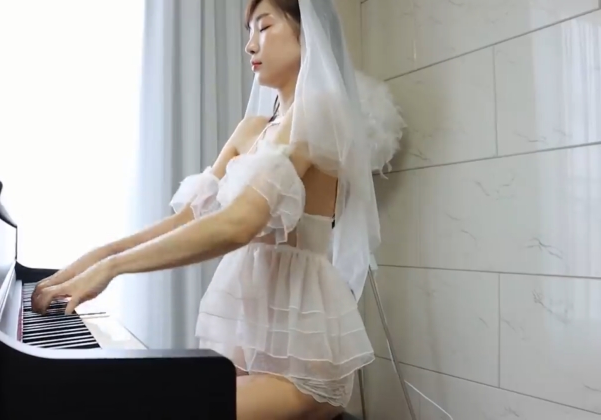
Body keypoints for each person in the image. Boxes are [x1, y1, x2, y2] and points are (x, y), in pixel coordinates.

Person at [31, 0, 392, 418]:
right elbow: (189, 218)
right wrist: (99, 256)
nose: (250, 45)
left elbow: (239, 224)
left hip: (303, 363)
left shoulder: (319, 113)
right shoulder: (252, 129)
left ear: (307, 33)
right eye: (248, 32)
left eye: (264, 27)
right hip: (250, 346)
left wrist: (114, 268)